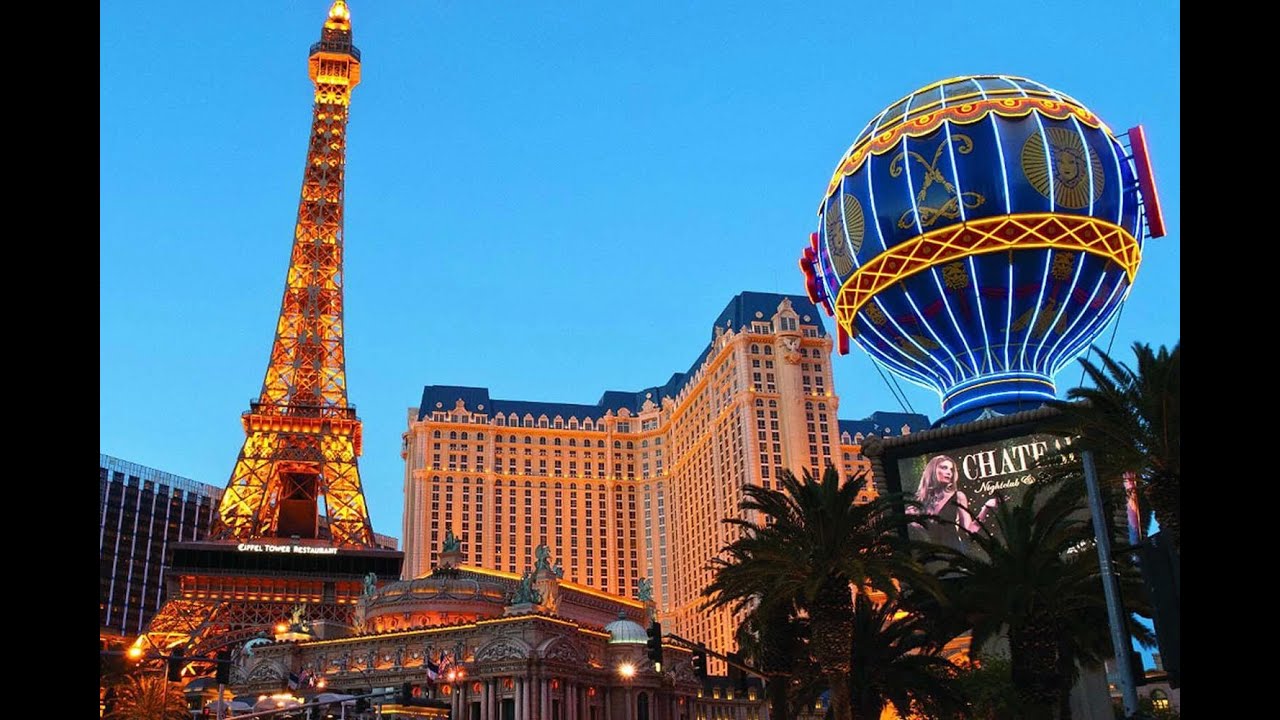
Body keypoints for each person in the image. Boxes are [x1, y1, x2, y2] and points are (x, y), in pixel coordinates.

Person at [906, 454, 1000, 548]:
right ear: (932, 471)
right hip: (932, 554)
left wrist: (985, 508)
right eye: (944, 468)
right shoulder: (916, 505)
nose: (949, 472)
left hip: (955, 551)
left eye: (951, 469)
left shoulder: (958, 496)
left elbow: (969, 531)